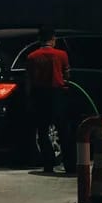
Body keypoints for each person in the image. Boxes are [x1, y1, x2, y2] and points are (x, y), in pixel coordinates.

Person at [25, 26, 70, 174]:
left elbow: (29, 80)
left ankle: (48, 164)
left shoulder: (32, 57)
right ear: (53, 39)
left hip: (40, 95)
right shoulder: (62, 55)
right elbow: (67, 76)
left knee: (43, 132)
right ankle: (69, 165)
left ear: (39, 39)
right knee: (63, 130)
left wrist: (29, 98)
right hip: (57, 95)